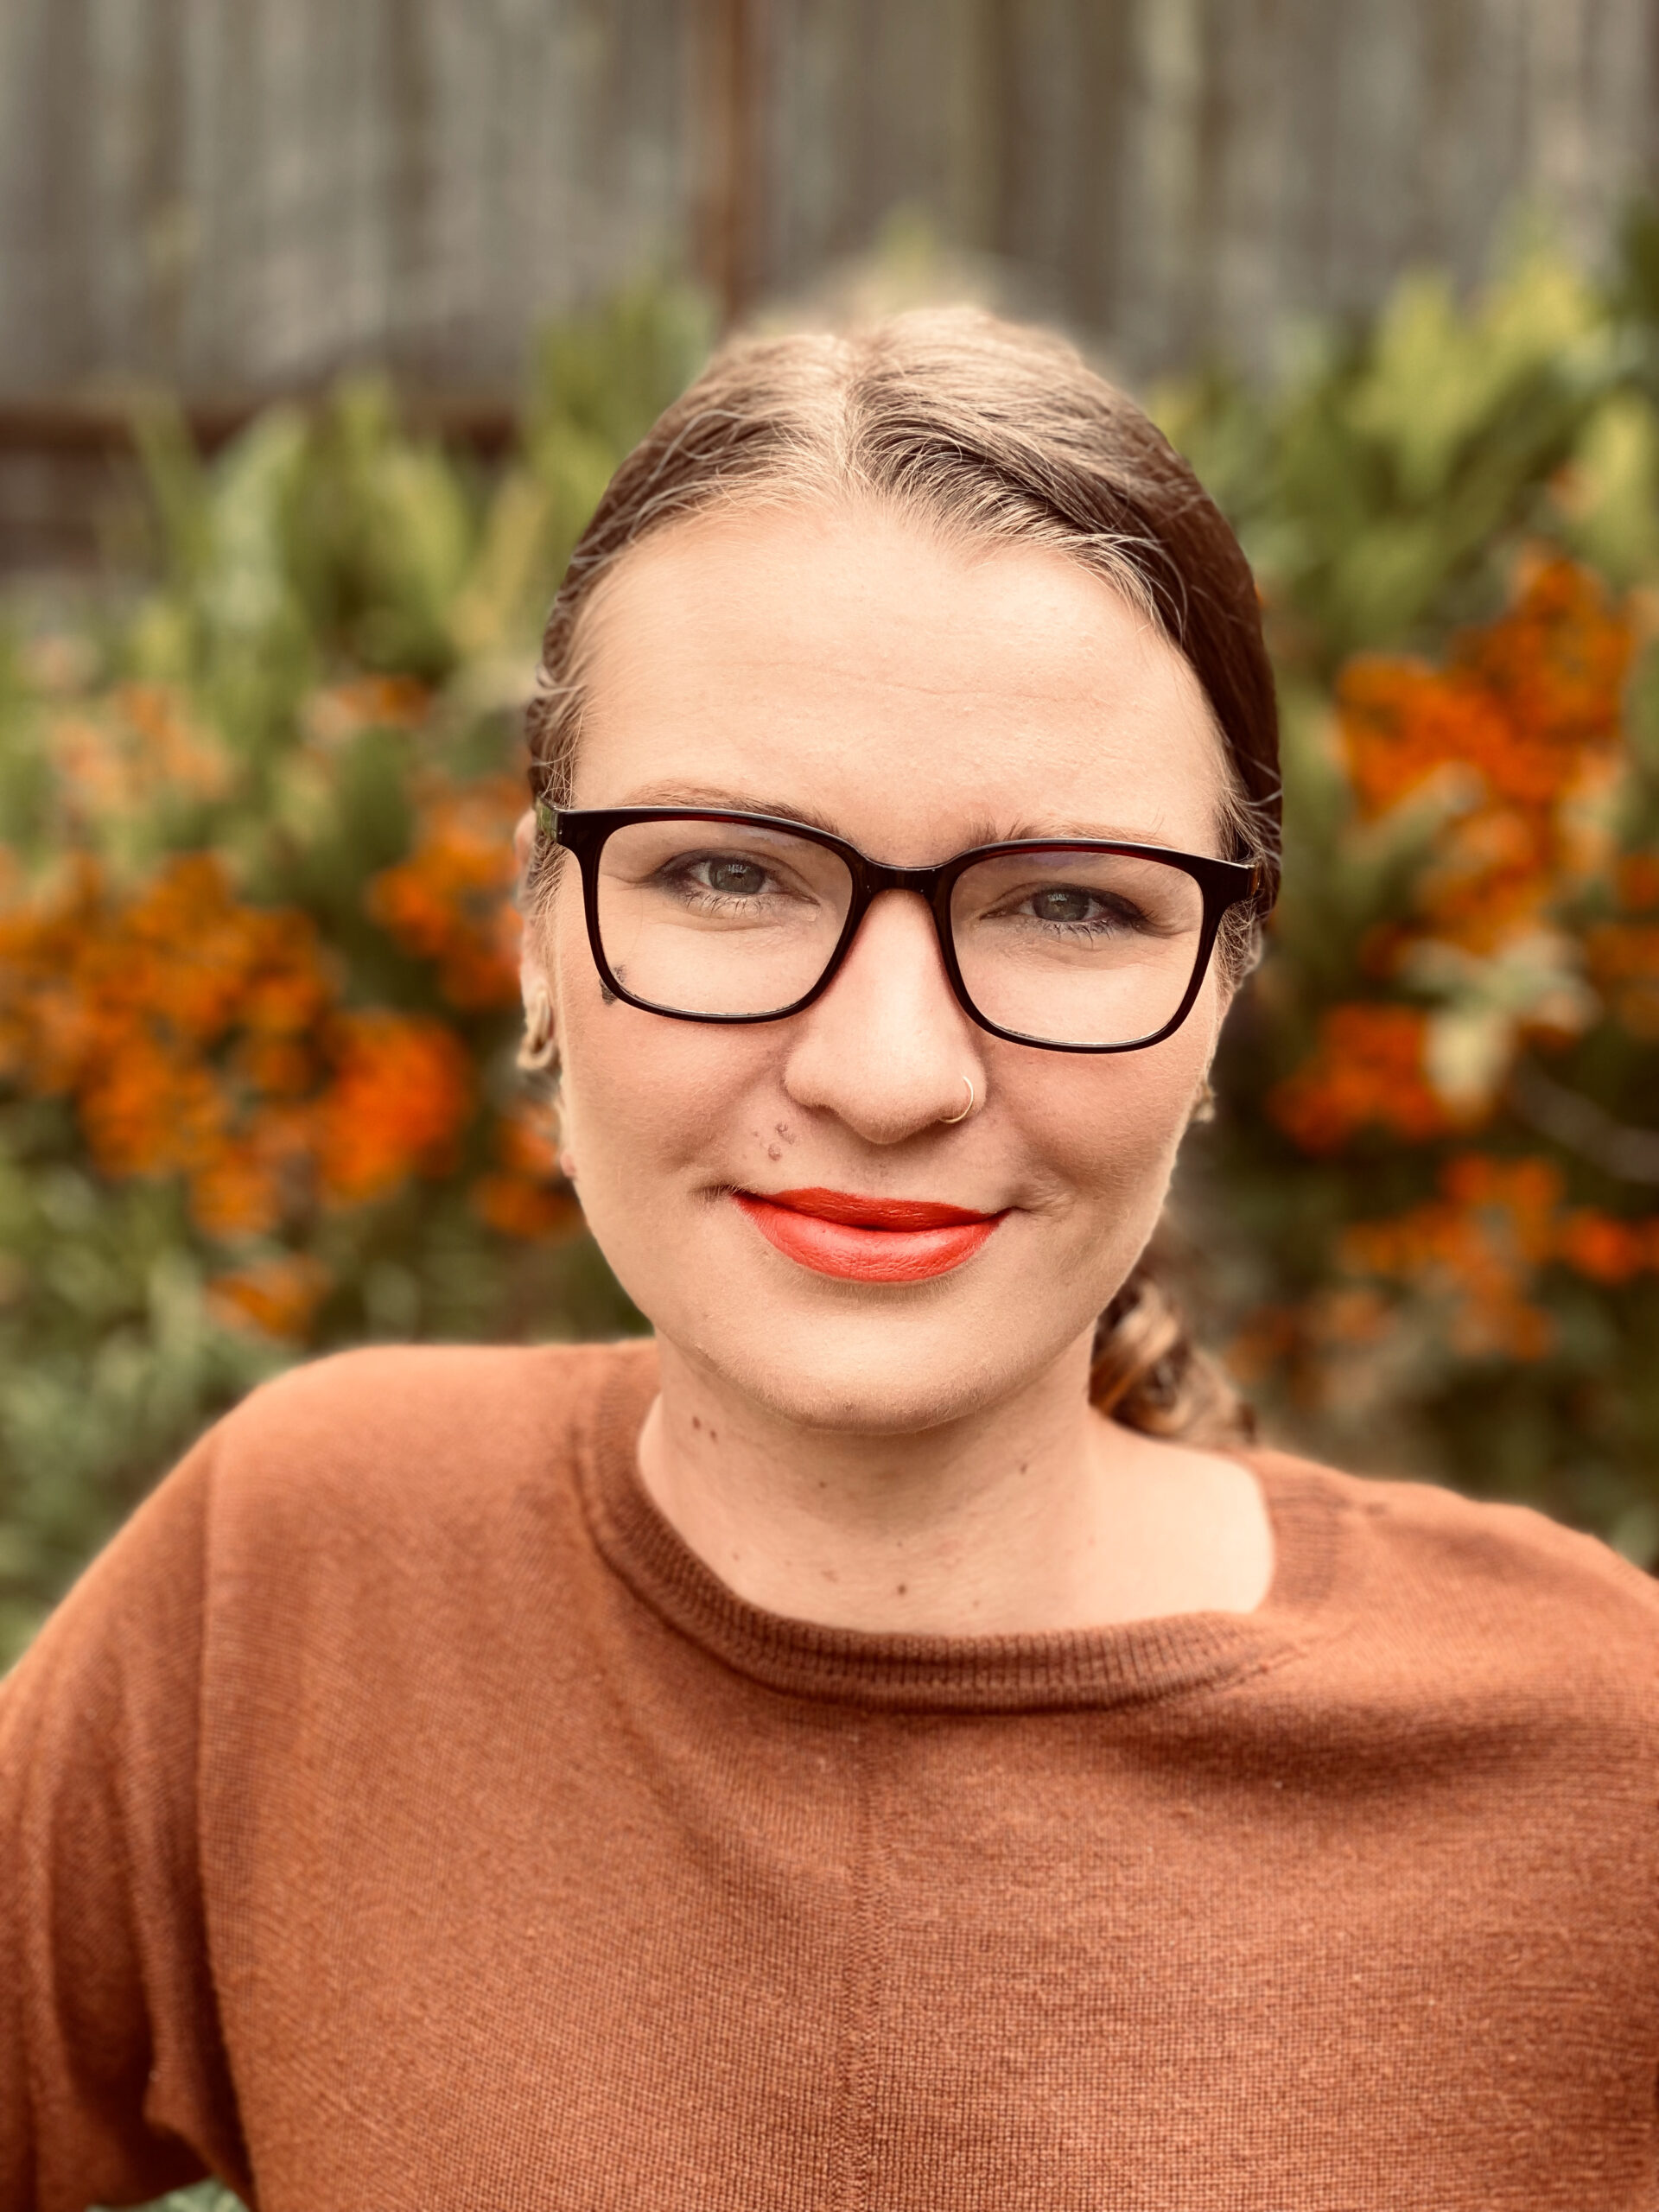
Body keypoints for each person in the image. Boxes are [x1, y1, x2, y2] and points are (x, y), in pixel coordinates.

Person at [3, 309, 1656, 2212]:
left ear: (1226, 989)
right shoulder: (300, 1578)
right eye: (729, 871)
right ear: (540, 930)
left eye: (1065, 904)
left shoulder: (1598, 1762)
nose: (888, 1073)